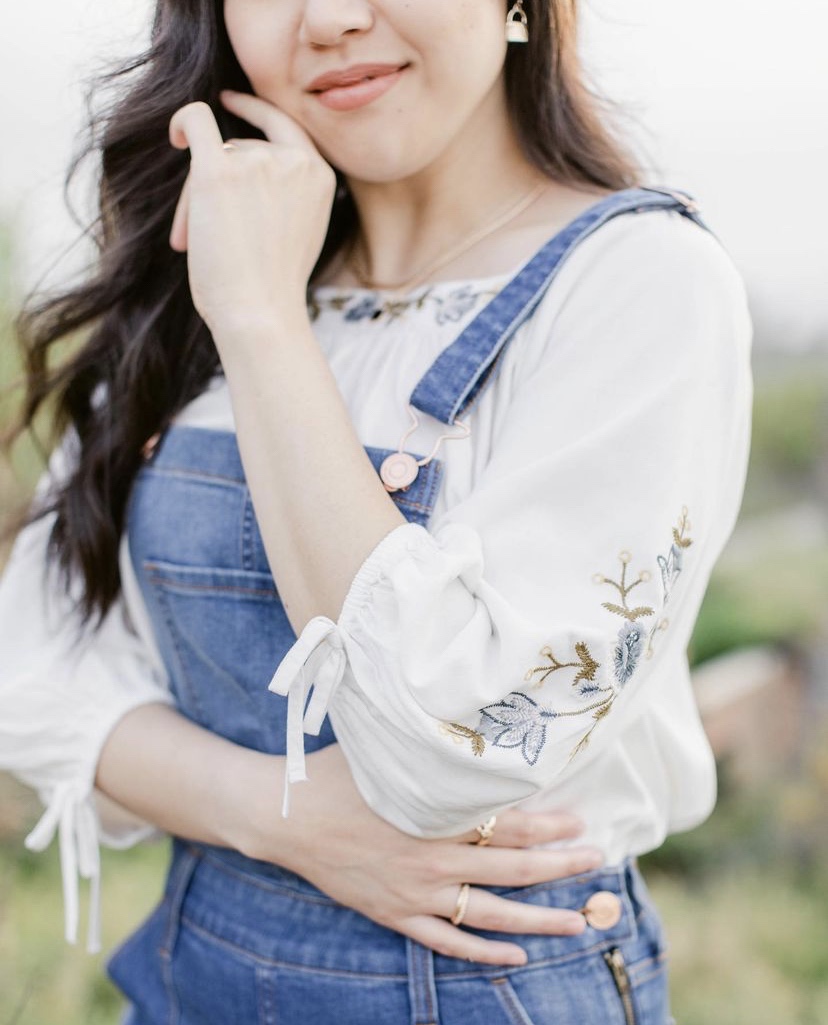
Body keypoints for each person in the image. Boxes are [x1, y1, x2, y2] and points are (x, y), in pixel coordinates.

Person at [0, 0, 753, 1022]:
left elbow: (455, 747)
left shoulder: (638, 284)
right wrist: (281, 817)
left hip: (492, 986)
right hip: (187, 985)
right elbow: (31, 673)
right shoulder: (204, 277)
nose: (332, 20)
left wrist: (263, 325)